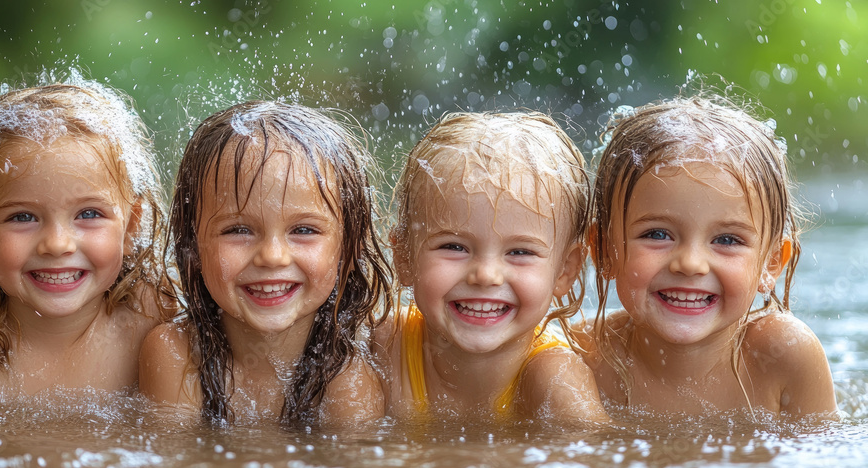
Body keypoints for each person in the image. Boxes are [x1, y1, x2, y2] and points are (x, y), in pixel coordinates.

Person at [0, 75, 174, 406]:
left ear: (131, 228)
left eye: (88, 214)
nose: (58, 244)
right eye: (23, 217)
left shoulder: (151, 317)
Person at [139, 101, 392, 427]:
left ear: (348, 247)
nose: (272, 256)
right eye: (239, 230)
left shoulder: (346, 377)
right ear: (192, 246)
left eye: (303, 230)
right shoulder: (176, 354)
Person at [583, 96, 838, 417]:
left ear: (771, 263)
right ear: (605, 250)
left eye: (727, 239)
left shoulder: (784, 358)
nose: (690, 263)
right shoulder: (581, 359)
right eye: (657, 234)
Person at [375, 111, 610, 423]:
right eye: (454, 247)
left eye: (519, 252)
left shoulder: (556, 380)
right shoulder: (380, 347)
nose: (485, 275)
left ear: (565, 271)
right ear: (404, 257)